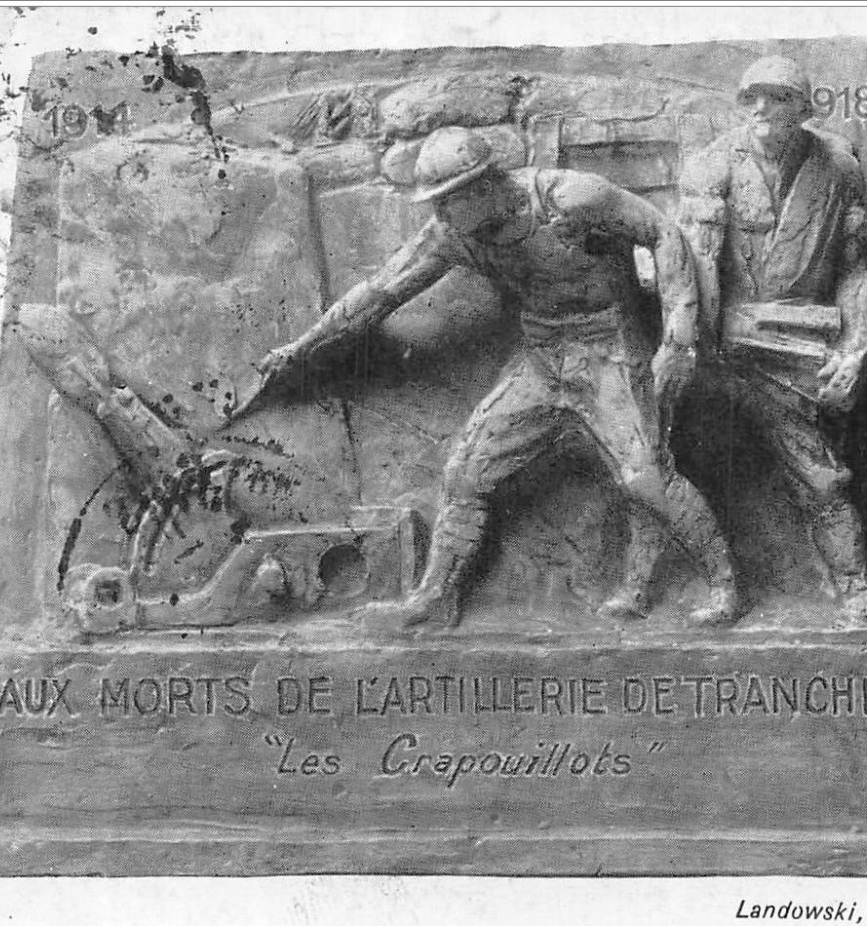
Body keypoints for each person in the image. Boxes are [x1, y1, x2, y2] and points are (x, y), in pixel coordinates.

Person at [255, 126, 738, 628]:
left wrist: (679, 340)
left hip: (610, 351)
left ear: (482, 186)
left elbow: (662, 233)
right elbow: (379, 293)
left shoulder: (569, 199)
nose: (438, 214)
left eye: (446, 201)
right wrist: (302, 347)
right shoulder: (454, 235)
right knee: (467, 472)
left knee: (646, 479)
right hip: (544, 358)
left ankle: (725, 583)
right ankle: (436, 598)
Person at [668, 54, 867, 627]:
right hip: (717, 347)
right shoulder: (712, 166)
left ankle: (854, 590)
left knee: (820, 475)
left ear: (804, 107)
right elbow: (691, 271)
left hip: (796, 349)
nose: (761, 109)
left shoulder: (838, 167)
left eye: (777, 97)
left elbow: (853, 268)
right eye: (751, 99)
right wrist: (688, 351)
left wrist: (855, 348)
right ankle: (703, 587)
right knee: (675, 463)